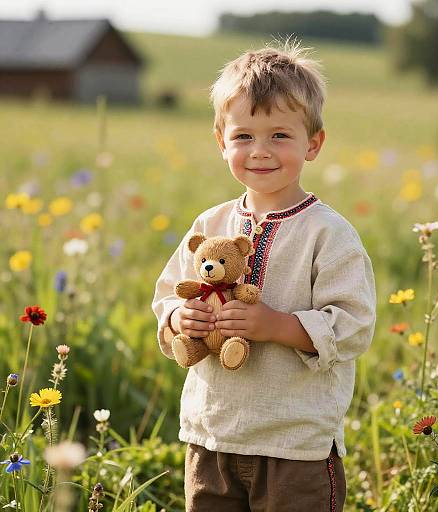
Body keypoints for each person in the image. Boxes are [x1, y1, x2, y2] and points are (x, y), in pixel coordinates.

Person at [152, 42, 376, 512]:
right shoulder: (208, 225)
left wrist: (276, 326)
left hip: (296, 444)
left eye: (279, 135)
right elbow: (167, 294)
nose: (259, 151)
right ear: (221, 140)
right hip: (212, 434)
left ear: (312, 143)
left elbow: (353, 325)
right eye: (243, 136)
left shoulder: (328, 234)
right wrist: (180, 319)